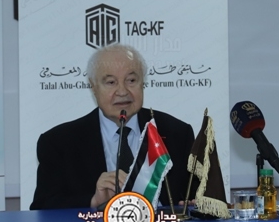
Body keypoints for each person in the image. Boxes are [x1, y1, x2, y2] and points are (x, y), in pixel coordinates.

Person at [30, 43, 196, 210]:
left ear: (142, 83)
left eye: (131, 80)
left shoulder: (177, 134)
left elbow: (197, 196)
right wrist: (93, 201)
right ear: (93, 87)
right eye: (111, 82)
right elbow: (42, 208)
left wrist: (192, 205)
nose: (122, 91)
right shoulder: (59, 143)